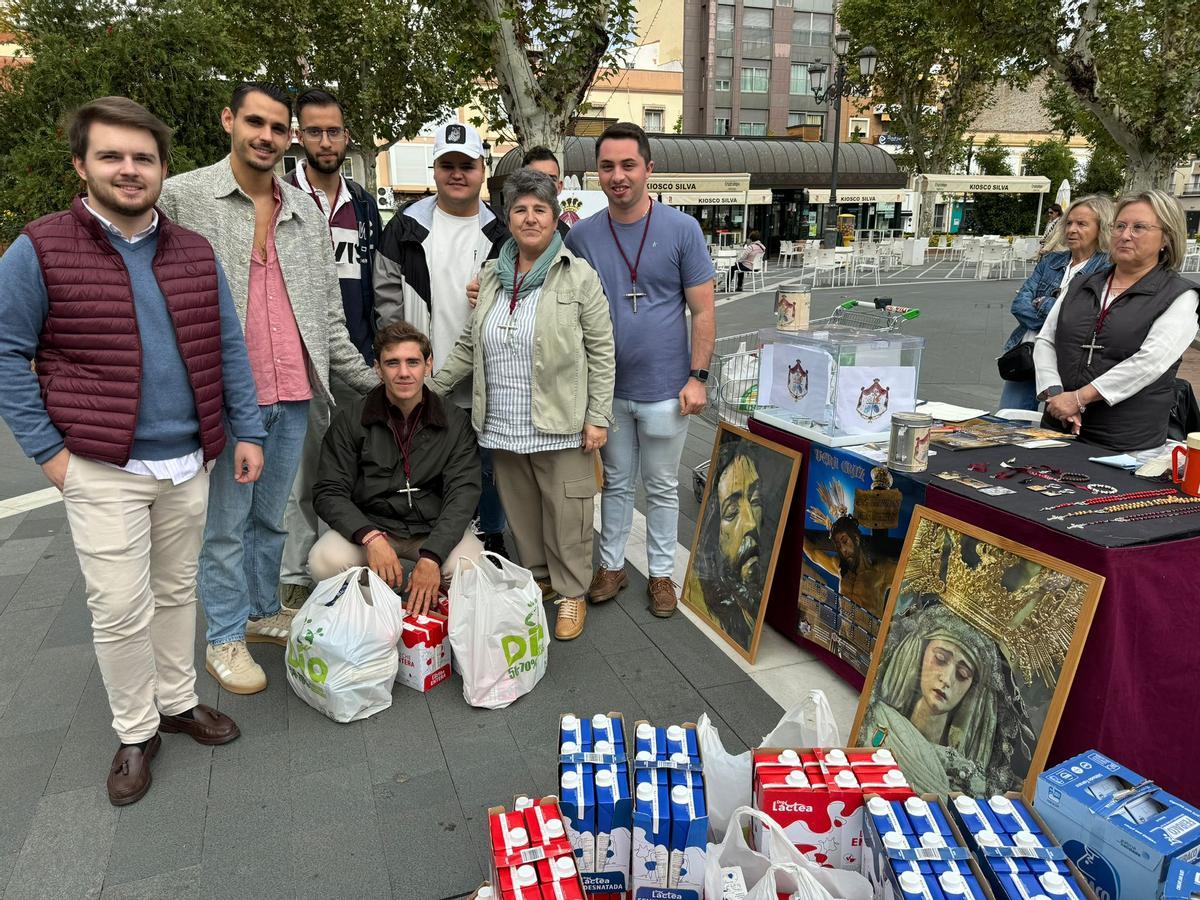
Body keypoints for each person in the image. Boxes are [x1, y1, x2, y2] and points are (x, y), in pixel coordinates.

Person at [0, 97, 266, 804]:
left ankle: (177, 703)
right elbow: (6, 353)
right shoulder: (40, 248)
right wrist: (52, 457)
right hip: (100, 465)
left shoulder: (192, 250)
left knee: (179, 591)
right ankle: (135, 729)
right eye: (112, 155)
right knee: (119, 607)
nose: (129, 169)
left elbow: (228, 348)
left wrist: (247, 431)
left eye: (142, 157)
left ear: (161, 168)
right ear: (81, 164)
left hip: (189, 461)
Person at [159, 82, 379, 696]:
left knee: (272, 521)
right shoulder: (185, 198)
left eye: (278, 128)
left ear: (290, 137)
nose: (266, 137)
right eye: (255, 122)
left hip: (294, 390)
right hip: (229, 397)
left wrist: (377, 381)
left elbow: (330, 321)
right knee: (225, 526)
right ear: (229, 120)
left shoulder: (304, 212)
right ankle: (224, 637)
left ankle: (260, 612)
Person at [432, 169, 615, 640]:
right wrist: (431, 388)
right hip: (502, 424)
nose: (530, 218)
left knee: (569, 514)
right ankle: (541, 579)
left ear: (555, 218)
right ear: (507, 218)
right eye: (520, 210)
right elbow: (471, 345)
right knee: (524, 515)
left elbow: (601, 350)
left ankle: (573, 592)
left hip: (562, 424)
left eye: (540, 209)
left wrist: (598, 417)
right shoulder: (493, 275)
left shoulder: (578, 277)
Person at [565, 122, 716, 618]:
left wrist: (699, 377)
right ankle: (610, 565)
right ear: (597, 174)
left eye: (628, 164)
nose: (618, 175)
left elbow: (704, 311)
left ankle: (661, 574)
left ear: (649, 168)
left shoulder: (681, 230)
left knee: (662, 485)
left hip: (665, 389)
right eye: (607, 166)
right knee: (615, 481)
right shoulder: (584, 235)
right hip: (606, 389)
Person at [373, 122, 511, 556]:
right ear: (434, 170)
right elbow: (385, 296)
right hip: (425, 380)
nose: (457, 174)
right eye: (447, 165)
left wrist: (496, 291)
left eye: (466, 165)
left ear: (481, 169)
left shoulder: (501, 232)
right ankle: (431, 544)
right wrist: (402, 362)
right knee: (427, 466)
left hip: (482, 381)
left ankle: (490, 538)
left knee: (485, 469)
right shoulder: (406, 225)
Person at [278, 87, 384, 610]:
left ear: (346, 136)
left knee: (354, 466)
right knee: (303, 470)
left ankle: (348, 560)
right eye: (314, 130)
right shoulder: (279, 196)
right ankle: (298, 572)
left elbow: (376, 282)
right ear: (299, 136)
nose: (325, 140)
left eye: (334, 130)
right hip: (297, 359)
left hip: (354, 356)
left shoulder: (363, 203)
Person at [310, 322, 483, 611]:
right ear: (377, 368)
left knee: (473, 569)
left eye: (413, 362)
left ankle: (431, 599)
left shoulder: (454, 421)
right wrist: (370, 537)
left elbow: (463, 494)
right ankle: (377, 610)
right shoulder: (351, 420)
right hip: (374, 527)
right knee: (322, 562)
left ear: (428, 365)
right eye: (393, 363)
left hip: (432, 527)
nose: (404, 372)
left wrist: (433, 556)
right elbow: (329, 491)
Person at [1035, 190, 1199, 451]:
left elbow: (1149, 362)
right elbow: (1046, 340)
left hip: (1125, 441)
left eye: (1139, 228)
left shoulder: (1180, 296)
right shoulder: (1082, 283)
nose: (1125, 235)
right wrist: (1056, 396)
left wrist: (1079, 398)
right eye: (1120, 226)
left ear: (1166, 238)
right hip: (1058, 428)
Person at [858, 603, 1034, 795]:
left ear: (972, 689)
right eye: (940, 659)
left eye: (962, 673)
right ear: (920, 654)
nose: (947, 679)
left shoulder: (965, 775)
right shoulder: (879, 719)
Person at [998, 196, 1113, 411]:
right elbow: (1019, 305)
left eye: (1081, 224)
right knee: (1009, 420)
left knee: (1058, 430)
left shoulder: (1106, 269)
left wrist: (1042, 303)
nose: (1071, 229)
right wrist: (1057, 312)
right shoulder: (1052, 261)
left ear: (1101, 228)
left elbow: (1082, 319)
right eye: (1069, 223)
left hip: (1069, 362)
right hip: (1028, 355)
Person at [685, 439, 766, 651]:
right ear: (714, 533)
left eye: (755, 500)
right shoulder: (711, 601)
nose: (750, 523)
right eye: (731, 512)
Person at [521, 145, 571, 237]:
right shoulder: (502, 235)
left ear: (559, 187)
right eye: (537, 178)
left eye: (551, 179)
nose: (545, 185)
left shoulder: (568, 238)